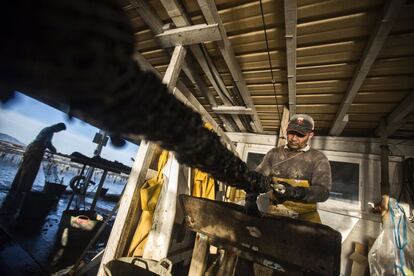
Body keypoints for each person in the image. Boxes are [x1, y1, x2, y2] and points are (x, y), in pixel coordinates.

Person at [247, 114, 332, 223]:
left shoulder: (318, 158)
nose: (294, 138)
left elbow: (323, 192)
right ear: (286, 130)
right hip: (276, 210)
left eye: (300, 135)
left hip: (306, 215)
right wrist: (250, 200)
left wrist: (293, 192)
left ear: (310, 135)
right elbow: (256, 179)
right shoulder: (274, 154)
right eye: (291, 133)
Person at [3, 123, 66, 210]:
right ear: (58, 127)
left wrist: (52, 149)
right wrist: (54, 150)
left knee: (23, 170)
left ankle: (15, 188)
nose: (59, 131)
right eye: (60, 130)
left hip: (31, 149)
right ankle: (22, 191)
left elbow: (47, 142)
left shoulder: (47, 129)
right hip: (36, 150)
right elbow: (47, 143)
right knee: (29, 172)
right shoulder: (49, 131)